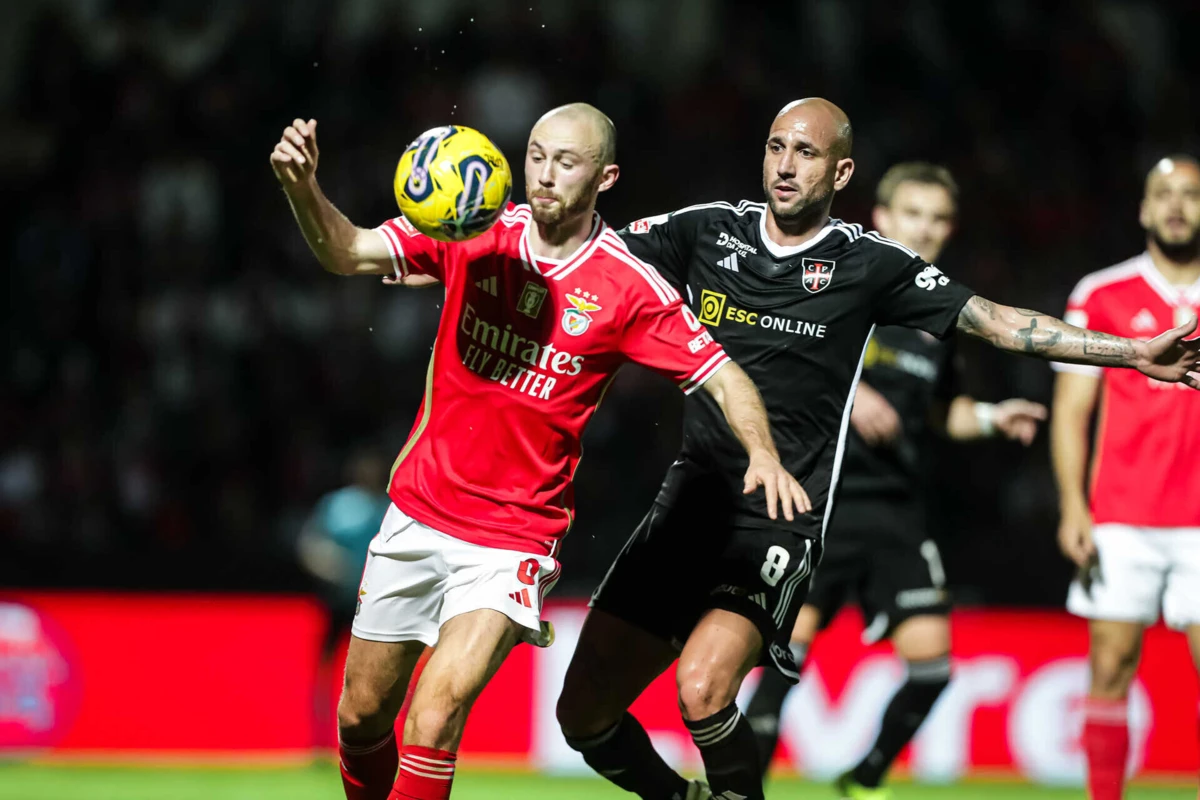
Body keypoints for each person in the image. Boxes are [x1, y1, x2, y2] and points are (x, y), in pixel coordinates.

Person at [554, 98, 1200, 800]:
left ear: (842, 170)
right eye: (776, 147)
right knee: (582, 716)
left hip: (779, 516)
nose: (785, 164)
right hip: (689, 504)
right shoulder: (707, 231)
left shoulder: (868, 264)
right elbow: (586, 256)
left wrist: (1132, 351)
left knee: (703, 690)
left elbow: (1001, 323)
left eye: (805, 152)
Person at [270, 103, 807, 800]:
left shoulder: (627, 286)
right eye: (536, 155)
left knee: (433, 719)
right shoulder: (470, 225)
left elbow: (724, 374)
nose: (545, 175)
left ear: (606, 177)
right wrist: (301, 186)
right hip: (418, 512)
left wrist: (761, 453)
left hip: (512, 537)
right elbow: (346, 250)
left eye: (567, 162)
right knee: (362, 717)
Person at [743, 162, 1047, 798]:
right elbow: (775, 368)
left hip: (896, 514)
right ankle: (739, 789)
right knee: (778, 667)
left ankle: (864, 776)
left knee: (933, 670)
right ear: (880, 219)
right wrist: (852, 400)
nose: (927, 229)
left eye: (939, 219)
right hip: (820, 504)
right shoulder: (838, 286)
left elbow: (941, 414)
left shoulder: (940, 318)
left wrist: (992, 417)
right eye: (913, 214)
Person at [1051, 155, 1200, 800]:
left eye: (1191, 194)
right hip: (1121, 513)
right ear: (1142, 209)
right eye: (1163, 194)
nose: (1176, 205)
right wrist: (1072, 507)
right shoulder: (1100, 293)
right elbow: (1071, 412)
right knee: (1110, 668)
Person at [296, 448, 393, 750]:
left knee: (380, 671)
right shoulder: (337, 505)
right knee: (327, 668)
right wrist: (329, 567)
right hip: (339, 602)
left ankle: (379, 737)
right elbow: (310, 545)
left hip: (375, 604)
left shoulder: (389, 508)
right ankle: (320, 738)